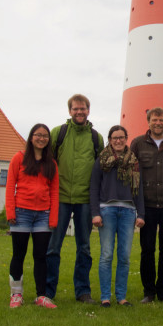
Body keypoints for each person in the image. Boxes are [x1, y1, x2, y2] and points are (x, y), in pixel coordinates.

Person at [46, 94, 104, 303]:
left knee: (84, 247)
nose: (79, 112)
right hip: (59, 197)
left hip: (85, 200)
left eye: (83, 109)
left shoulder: (96, 138)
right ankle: (48, 290)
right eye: (75, 109)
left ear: (88, 110)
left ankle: (82, 291)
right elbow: (47, 163)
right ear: (69, 111)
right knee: (53, 246)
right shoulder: (58, 133)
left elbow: (100, 171)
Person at [130, 107, 163, 304]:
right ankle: (148, 292)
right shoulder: (137, 143)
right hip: (147, 204)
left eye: (161, 120)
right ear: (148, 122)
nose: (157, 123)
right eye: (154, 120)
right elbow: (133, 172)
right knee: (147, 250)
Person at [90, 125, 145, 307]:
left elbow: (139, 190)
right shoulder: (101, 160)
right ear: (110, 139)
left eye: (121, 137)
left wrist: (141, 213)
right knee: (106, 255)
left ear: (126, 138)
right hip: (107, 210)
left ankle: (121, 296)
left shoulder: (134, 162)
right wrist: (95, 213)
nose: (118, 141)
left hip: (128, 211)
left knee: (124, 256)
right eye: (115, 138)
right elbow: (94, 188)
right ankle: (105, 296)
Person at [6, 124, 59, 309]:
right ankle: (16, 294)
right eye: (38, 135)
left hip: (43, 215)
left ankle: (41, 296)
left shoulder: (51, 163)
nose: (42, 138)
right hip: (22, 212)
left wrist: (53, 217)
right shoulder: (19, 158)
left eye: (45, 136)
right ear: (31, 137)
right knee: (19, 254)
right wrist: (10, 211)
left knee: (40, 256)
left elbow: (54, 191)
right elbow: (10, 184)